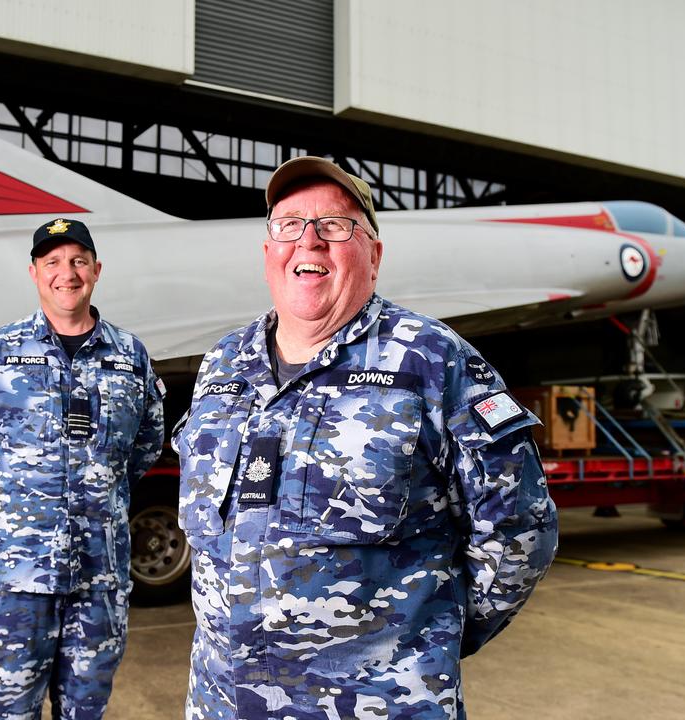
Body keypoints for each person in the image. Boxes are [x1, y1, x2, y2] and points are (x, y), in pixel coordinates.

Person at [173, 157, 558, 719]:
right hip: (223, 701)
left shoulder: (431, 360)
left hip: (374, 704)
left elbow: (521, 530)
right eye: (289, 225)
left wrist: (433, 639)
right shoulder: (222, 365)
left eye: (335, 226)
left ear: (373, 256)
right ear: (267, 255)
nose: (309, 241)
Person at [0, 217, 165, 719]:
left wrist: (99, 501)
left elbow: (146, 444)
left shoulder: (130, 356)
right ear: (34, 272)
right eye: (53, 262)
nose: (67, 273)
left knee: (87, 710)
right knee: (11, 712)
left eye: (78, 260)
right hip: (15, 577)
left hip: (99, 579)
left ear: (96, 270)